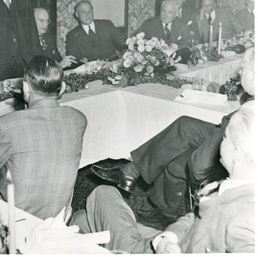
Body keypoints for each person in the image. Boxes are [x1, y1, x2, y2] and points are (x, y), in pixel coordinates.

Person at [89, 46, 254, 231]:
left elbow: (199, 168)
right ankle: (133, 170)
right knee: (184, 125)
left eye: (243, 67)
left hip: (237, 143)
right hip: (229, 130)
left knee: (177, 160)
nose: (239, 70)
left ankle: (164, 212)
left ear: (254, 73)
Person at [73, 102, 255, 253]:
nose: (218, 141)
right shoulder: (231, 187)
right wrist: (167, 238)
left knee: (102, 193)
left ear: (237, 152)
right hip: (176, 241)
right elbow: (194, 219)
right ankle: (132, 171)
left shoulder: (244, 218)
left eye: (224, 137)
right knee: (81, 219)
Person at [0, 55, 87, 220]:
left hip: (17, 222)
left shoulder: (6, 126)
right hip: (57, 219)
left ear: (26, 88)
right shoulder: (78, 119)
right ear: (62, 88)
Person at [65, 0, 126, 66]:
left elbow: (123, 43)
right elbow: (73, 59)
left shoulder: (106, 25)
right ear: (77, 14)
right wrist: (81, 62)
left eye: (89, 11)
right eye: (83, 12)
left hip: (113, 67)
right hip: (90, 72)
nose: (87, 15)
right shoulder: (72, 35)